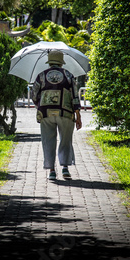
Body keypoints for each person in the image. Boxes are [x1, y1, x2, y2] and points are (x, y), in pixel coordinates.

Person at [32, 50, 82, 180]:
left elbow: (34, 94)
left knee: (48, 141)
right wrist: (78, 116)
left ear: (49, 62)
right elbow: (75, 96)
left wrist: (41, 105)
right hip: (65, 113)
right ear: (61, 63)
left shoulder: (41, 75)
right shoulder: (68, 75)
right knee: (65, 140)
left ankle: (52, 171)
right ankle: (65, 169)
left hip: (45, 113)